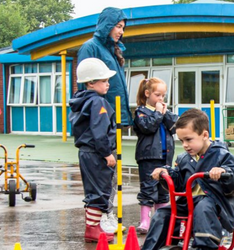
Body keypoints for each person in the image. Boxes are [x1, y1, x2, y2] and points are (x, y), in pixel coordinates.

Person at [143, 109, 234, 250]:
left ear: (204, 135)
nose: (185, 145)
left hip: (217, 206)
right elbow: (179, 183)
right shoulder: (184, 159)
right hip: (188, 205)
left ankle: (205, 247)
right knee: (162, 215)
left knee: (203, 207)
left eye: (188, 139)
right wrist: (165, 173)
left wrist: (224, 172)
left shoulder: (221, 155)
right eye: (181, 141)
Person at [69, 58, 118, 243]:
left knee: (92, 190)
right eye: (104, 80)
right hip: (97, 153)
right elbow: (100, 131)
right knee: (100, 189)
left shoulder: (81, 100)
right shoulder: (98, 102)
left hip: (85, 152)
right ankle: (92, 229)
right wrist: (106, 153)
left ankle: (93, 226)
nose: (108, 84)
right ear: (90, 82)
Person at [132, 77, 178, 234]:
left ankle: (161, 219)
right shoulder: (141, 112)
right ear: (147, 94)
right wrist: (158, 113)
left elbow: (174, 127)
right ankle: (145, 220)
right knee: (148, 188)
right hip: (148, 157)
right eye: (157, 95)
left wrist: (165, 113)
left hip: (165, 157)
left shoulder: (164, 112)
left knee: (163, 190)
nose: (161, 99)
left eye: (163, 96)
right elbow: (148, 127)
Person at [78, 7, 133, 127]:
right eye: (118, 26)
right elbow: (83, 87)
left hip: (114, 115)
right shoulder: (90, 47)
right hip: (99, 117)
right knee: (102, 145)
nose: (122, 32)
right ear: (107, 25)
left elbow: (117, 86)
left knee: (114, 145)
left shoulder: (114, 50)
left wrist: (123, 115)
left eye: (123, 28)